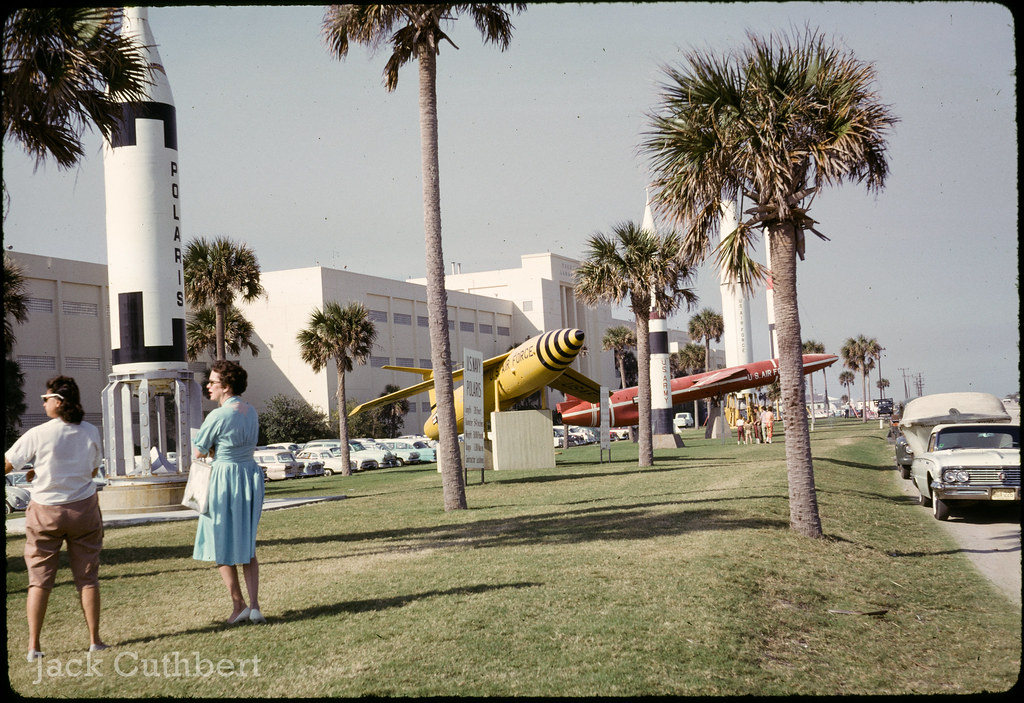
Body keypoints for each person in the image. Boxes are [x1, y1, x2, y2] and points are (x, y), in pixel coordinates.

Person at [5, 376, 107, 662]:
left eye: (46, 398)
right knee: (87, 578)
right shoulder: (89, 431)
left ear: (57, 402)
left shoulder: (37, 434)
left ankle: (34, 646)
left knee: (39, 581)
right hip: (83, 510)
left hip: (45, 512)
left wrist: (39, 474)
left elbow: (7, 464)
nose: (44, 402)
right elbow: (90, 472)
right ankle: (94, 641)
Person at [192, 360, 267, 625]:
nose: (208, 386)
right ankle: (255, 606)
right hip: (249, 476)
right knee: (247, 544)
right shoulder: (251, 411)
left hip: (224, 478)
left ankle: (239, 605)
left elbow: (199, 450)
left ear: (226, 386)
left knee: (220, 541)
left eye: (212, 382)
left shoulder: (218, 415)